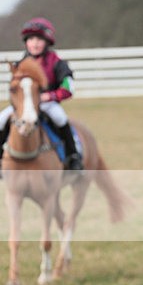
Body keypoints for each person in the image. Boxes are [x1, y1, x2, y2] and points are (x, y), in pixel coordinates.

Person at [0, 18, 83, 171]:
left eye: (39, 39)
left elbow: (68, 88)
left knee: (60, 118)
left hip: (47, 103)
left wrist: (50, 96)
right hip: (24, 105)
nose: (35, 43)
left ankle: (73, 156)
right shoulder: (20, 64)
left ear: (47, 41)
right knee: (1, 119)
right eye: (31, 39)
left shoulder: (57, 63)